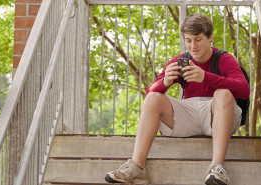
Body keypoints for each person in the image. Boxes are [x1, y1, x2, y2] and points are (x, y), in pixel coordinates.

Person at [104, 13, 250, 185]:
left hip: (217, 115)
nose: (192, 46)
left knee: (224, 93)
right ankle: (137, 166)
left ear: (210, 37)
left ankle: (217, 167)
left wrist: (205, 77)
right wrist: (165, 82)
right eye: (188, 40)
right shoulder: (180, 61)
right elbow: (151, 90)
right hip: (188, 115)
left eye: (198, 39)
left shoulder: (224, 59)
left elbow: (244, 90)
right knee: (152, 98)